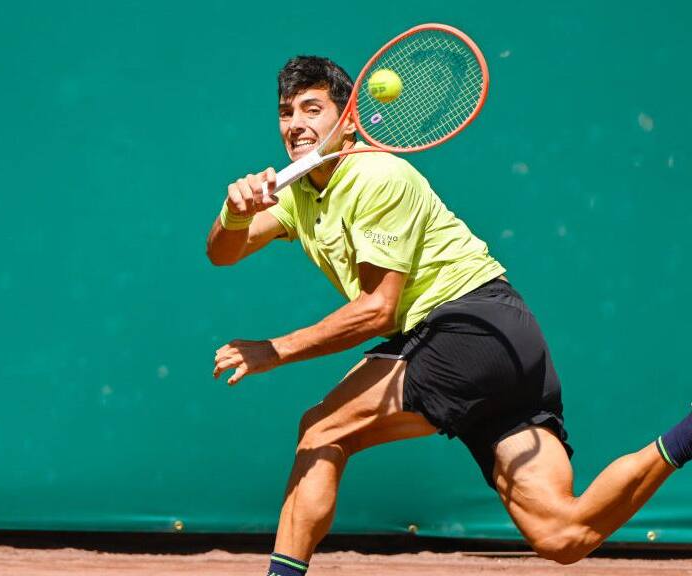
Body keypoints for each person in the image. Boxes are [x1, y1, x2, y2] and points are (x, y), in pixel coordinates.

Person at [207, 55, 691, 573]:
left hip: (467, 325)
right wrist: (234, 215)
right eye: (286, 113)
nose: (296, 124)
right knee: (563, 533)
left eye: (312, 108)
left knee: (322, 431)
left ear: (347, 119)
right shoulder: (296, 192)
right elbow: (223, 252)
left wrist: (273, 351)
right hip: (509, 341)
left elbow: (376, 310)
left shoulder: (376, 174)